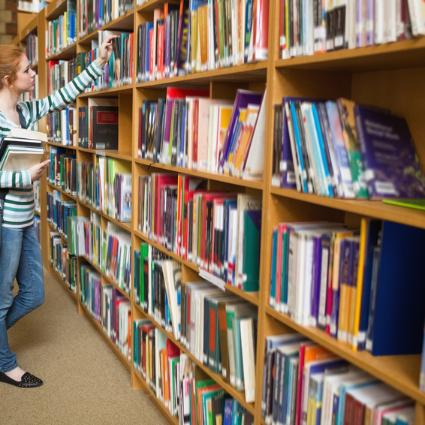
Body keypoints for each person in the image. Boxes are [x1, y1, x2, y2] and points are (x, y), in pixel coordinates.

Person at [0, 35, 116, 388]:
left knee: (34, 293)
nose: (33, 73)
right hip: (4, 222)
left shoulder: (25, 111)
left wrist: (99, 62)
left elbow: (61, 96)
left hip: (27, 218)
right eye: (27, 69)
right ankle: (5, 363)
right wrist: (24, 175)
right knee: (3, 295)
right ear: (7, 78)